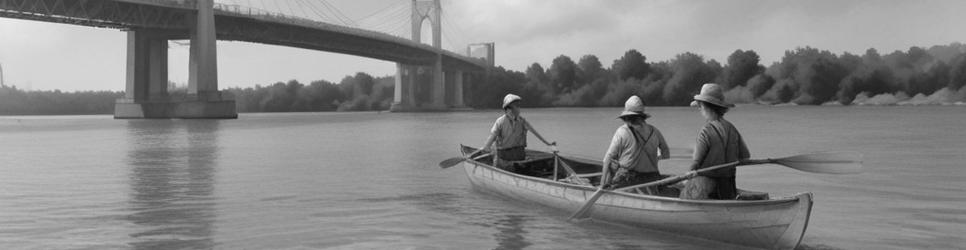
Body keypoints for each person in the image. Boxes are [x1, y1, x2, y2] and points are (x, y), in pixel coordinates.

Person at [680, 83, 750, 200]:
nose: (699, 109)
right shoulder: (732, 129)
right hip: (728, 187)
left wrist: (688, 174)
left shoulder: (706, 131)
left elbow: (696, 162)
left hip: (706, 187)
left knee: (684, 193)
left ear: (706, 107)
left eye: (700, 105)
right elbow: (745, 156)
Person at [601, 96, 670, 194]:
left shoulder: (622, 131)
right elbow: (666, 153)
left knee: (612, 164)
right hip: (652, 178)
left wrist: (602, 185)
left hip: (628, 178)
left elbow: (607, 159)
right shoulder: (655, 131)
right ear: (642, 116)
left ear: (626, 116)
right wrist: (654, 158)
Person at [473, 94, 555, 172]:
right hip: (504, 158)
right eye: (516, 106)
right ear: (508, 109)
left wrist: (548, 143)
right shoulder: (500, 122)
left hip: (518, 156)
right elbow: (492, 137)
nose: (519, 109)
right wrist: (486, 147)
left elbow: (536, 133)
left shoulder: (522, 121)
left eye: (519, 106)